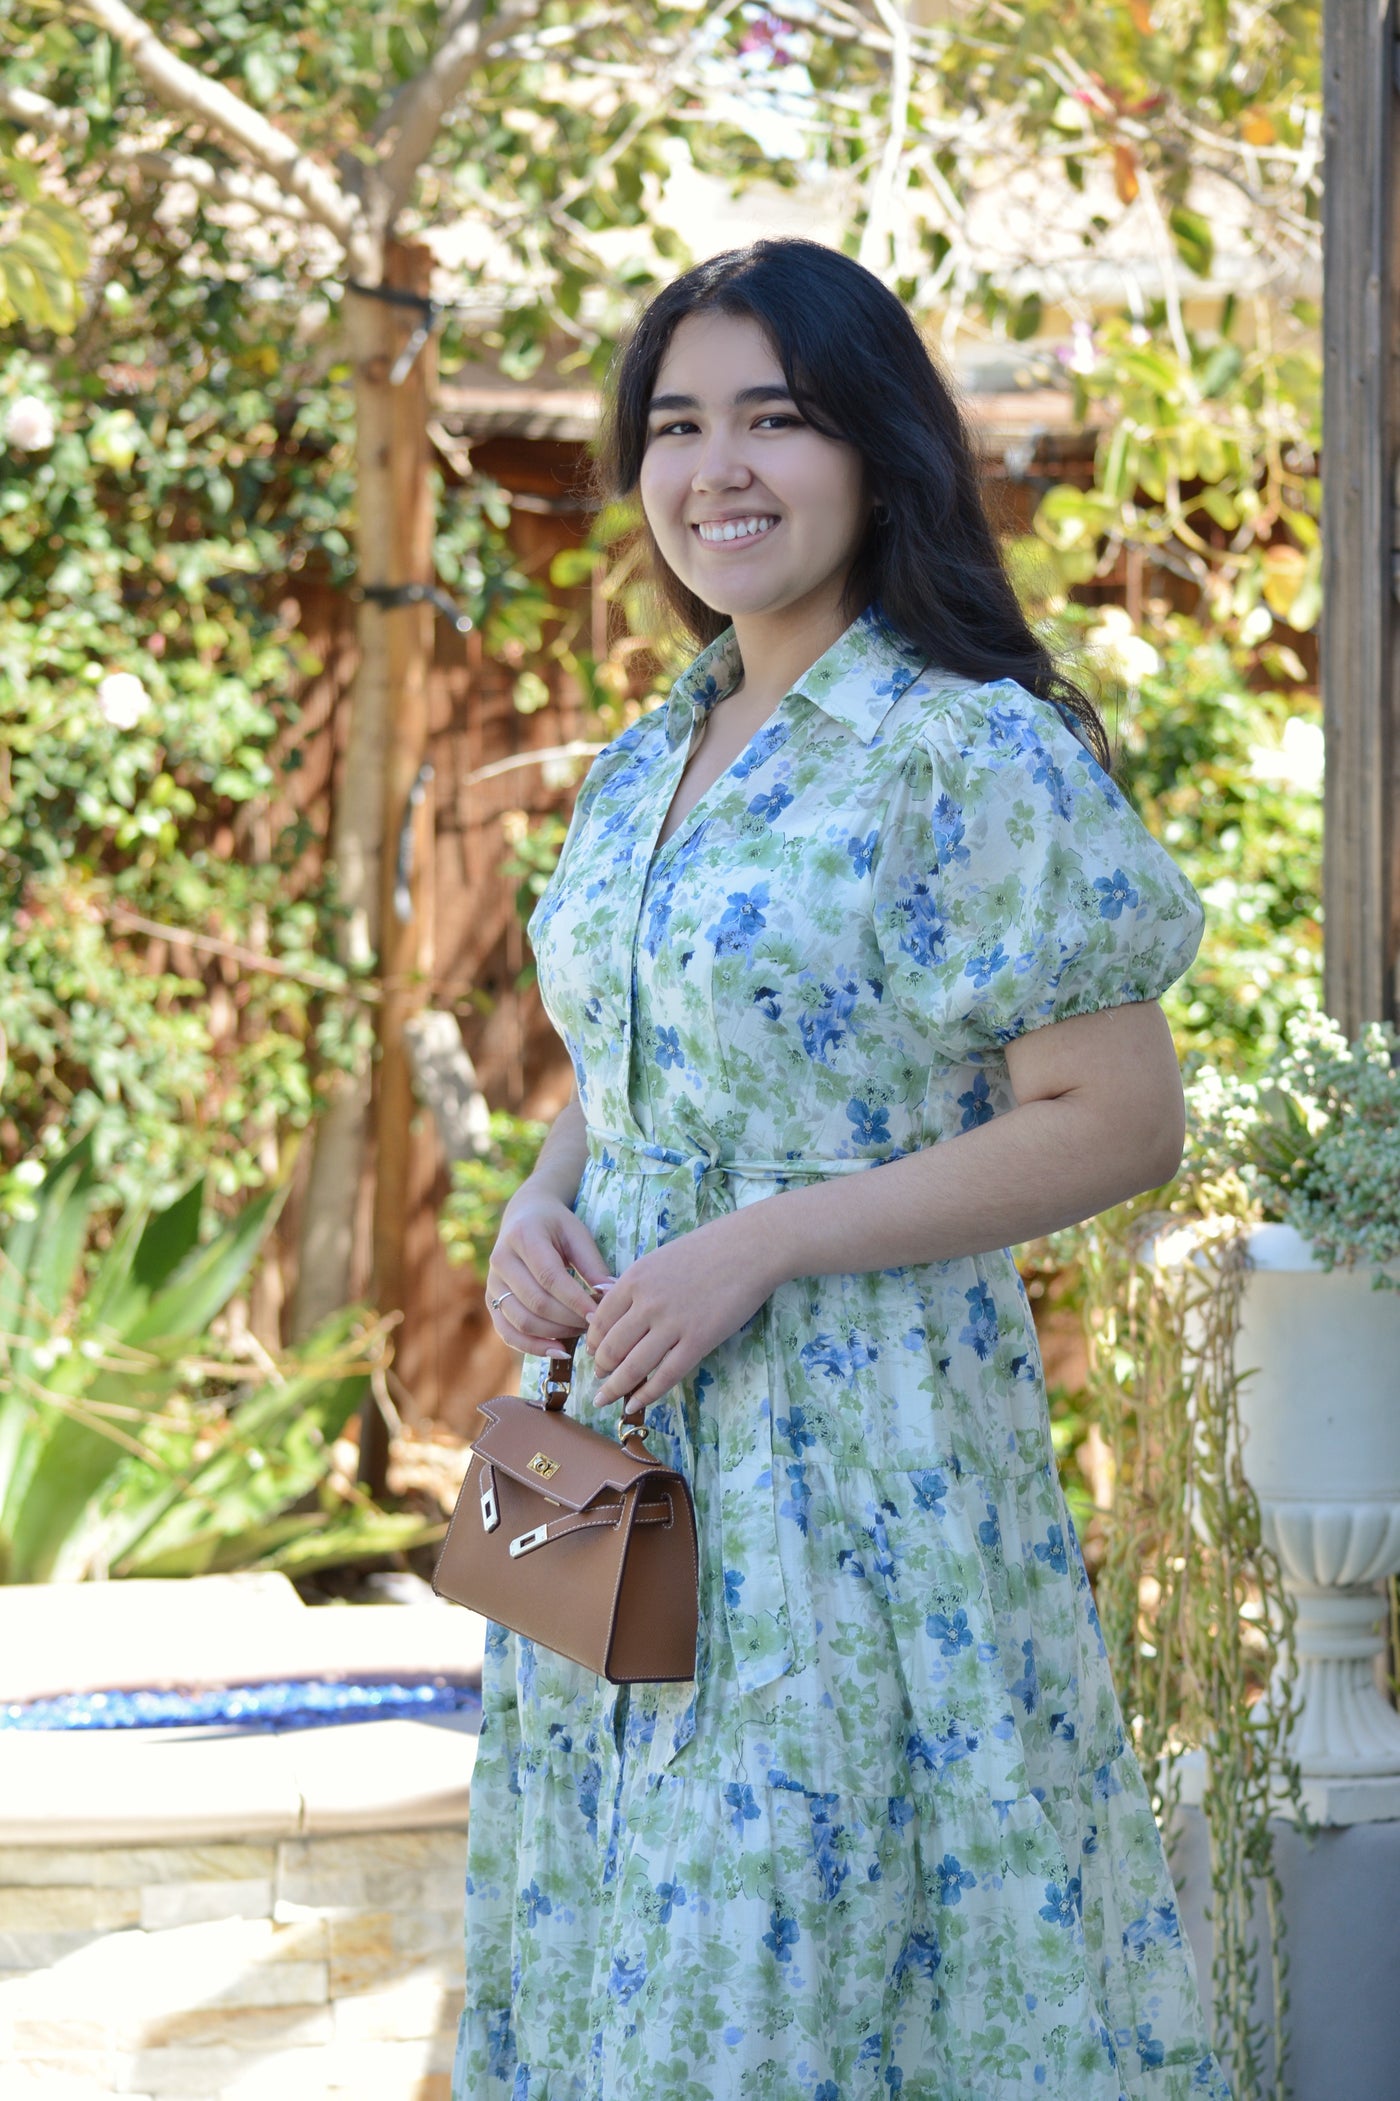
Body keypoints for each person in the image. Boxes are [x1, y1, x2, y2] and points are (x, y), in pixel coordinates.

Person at [458, 239, 1230, 2101]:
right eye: (677, 425)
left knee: (818, 1952)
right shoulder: (655, 750)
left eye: (776, 420)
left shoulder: (968, 748)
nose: (717, 468)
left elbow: (1123, 1117)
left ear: (878, 450)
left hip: (858, 1461)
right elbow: (638, 1054)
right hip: (608, 1437)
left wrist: (765, 1245)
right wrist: (545, 1198)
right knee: (606, 1931)